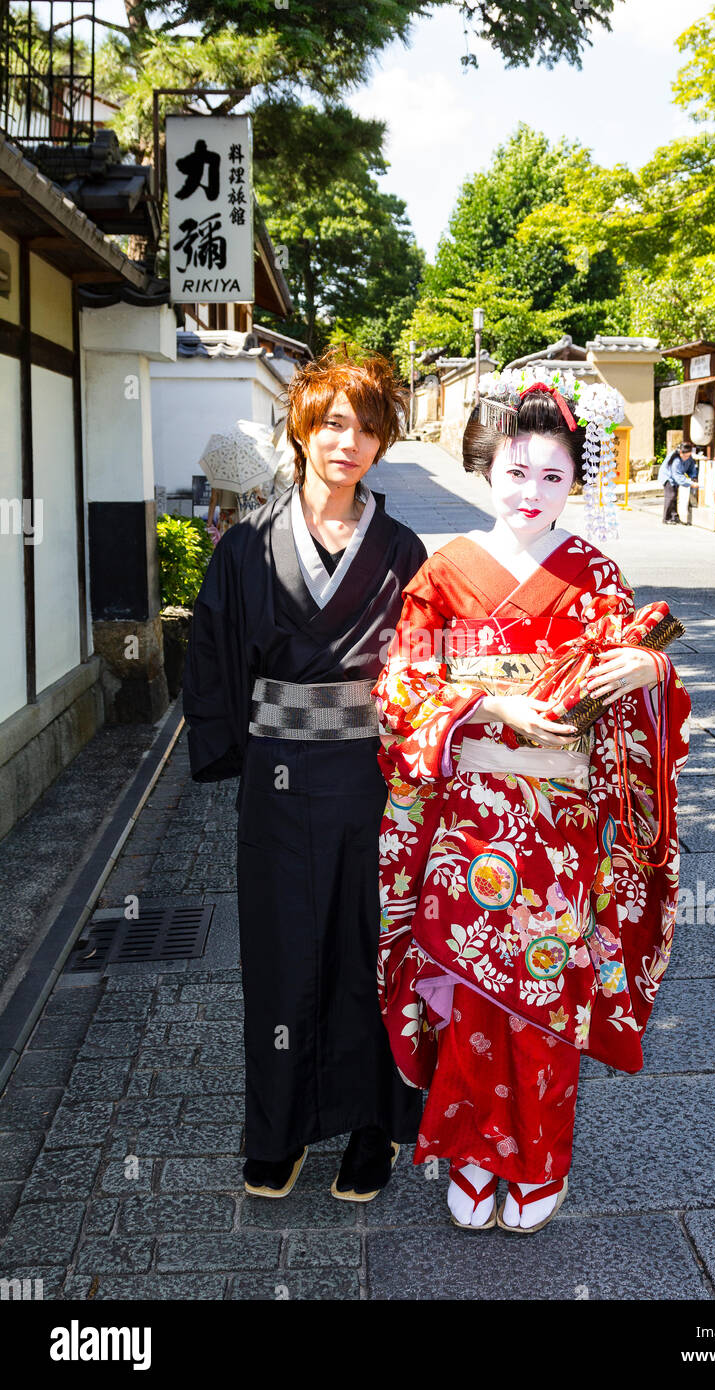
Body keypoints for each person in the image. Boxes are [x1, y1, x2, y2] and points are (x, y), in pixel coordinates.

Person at [373, 380, 691, 1234]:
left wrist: (649, 672)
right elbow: (404, 684)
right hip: (470, 807)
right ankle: (476, 1157)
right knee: (470, 987)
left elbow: (631, 675)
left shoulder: (593, 573)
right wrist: (488, 706)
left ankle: (540, 1157)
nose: (531, 492)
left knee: (547, 992)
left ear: (572, 486)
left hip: (560, 818)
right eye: (516, 471)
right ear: (484, 470)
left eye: (553, 478)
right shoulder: (444, 574)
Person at [183, 348, 426, 1202]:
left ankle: (374, 1131)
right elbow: (213, 656)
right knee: (282, 955)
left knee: (368, 951)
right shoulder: (249, 543)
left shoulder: (400, 548)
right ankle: (278, 1130)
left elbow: (426, 671)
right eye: (331, 423)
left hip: (372, 779)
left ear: (381, 442)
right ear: (302, 429)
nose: (345, 442)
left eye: (364, 428)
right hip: (279, 776)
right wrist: (247, 755)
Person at [658, 440, 698, 524]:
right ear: (680, 452)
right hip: (667, 477)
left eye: (688, 455)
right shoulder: (675, 459)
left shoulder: (689, 458)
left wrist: (693, 477)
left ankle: (674, 517)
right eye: (685, 456)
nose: (686, 458)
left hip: (675, 478)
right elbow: (677, 476)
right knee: (670, 496)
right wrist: (690, 483)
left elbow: (691, 468)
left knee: (675, 496)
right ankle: (666, 518)